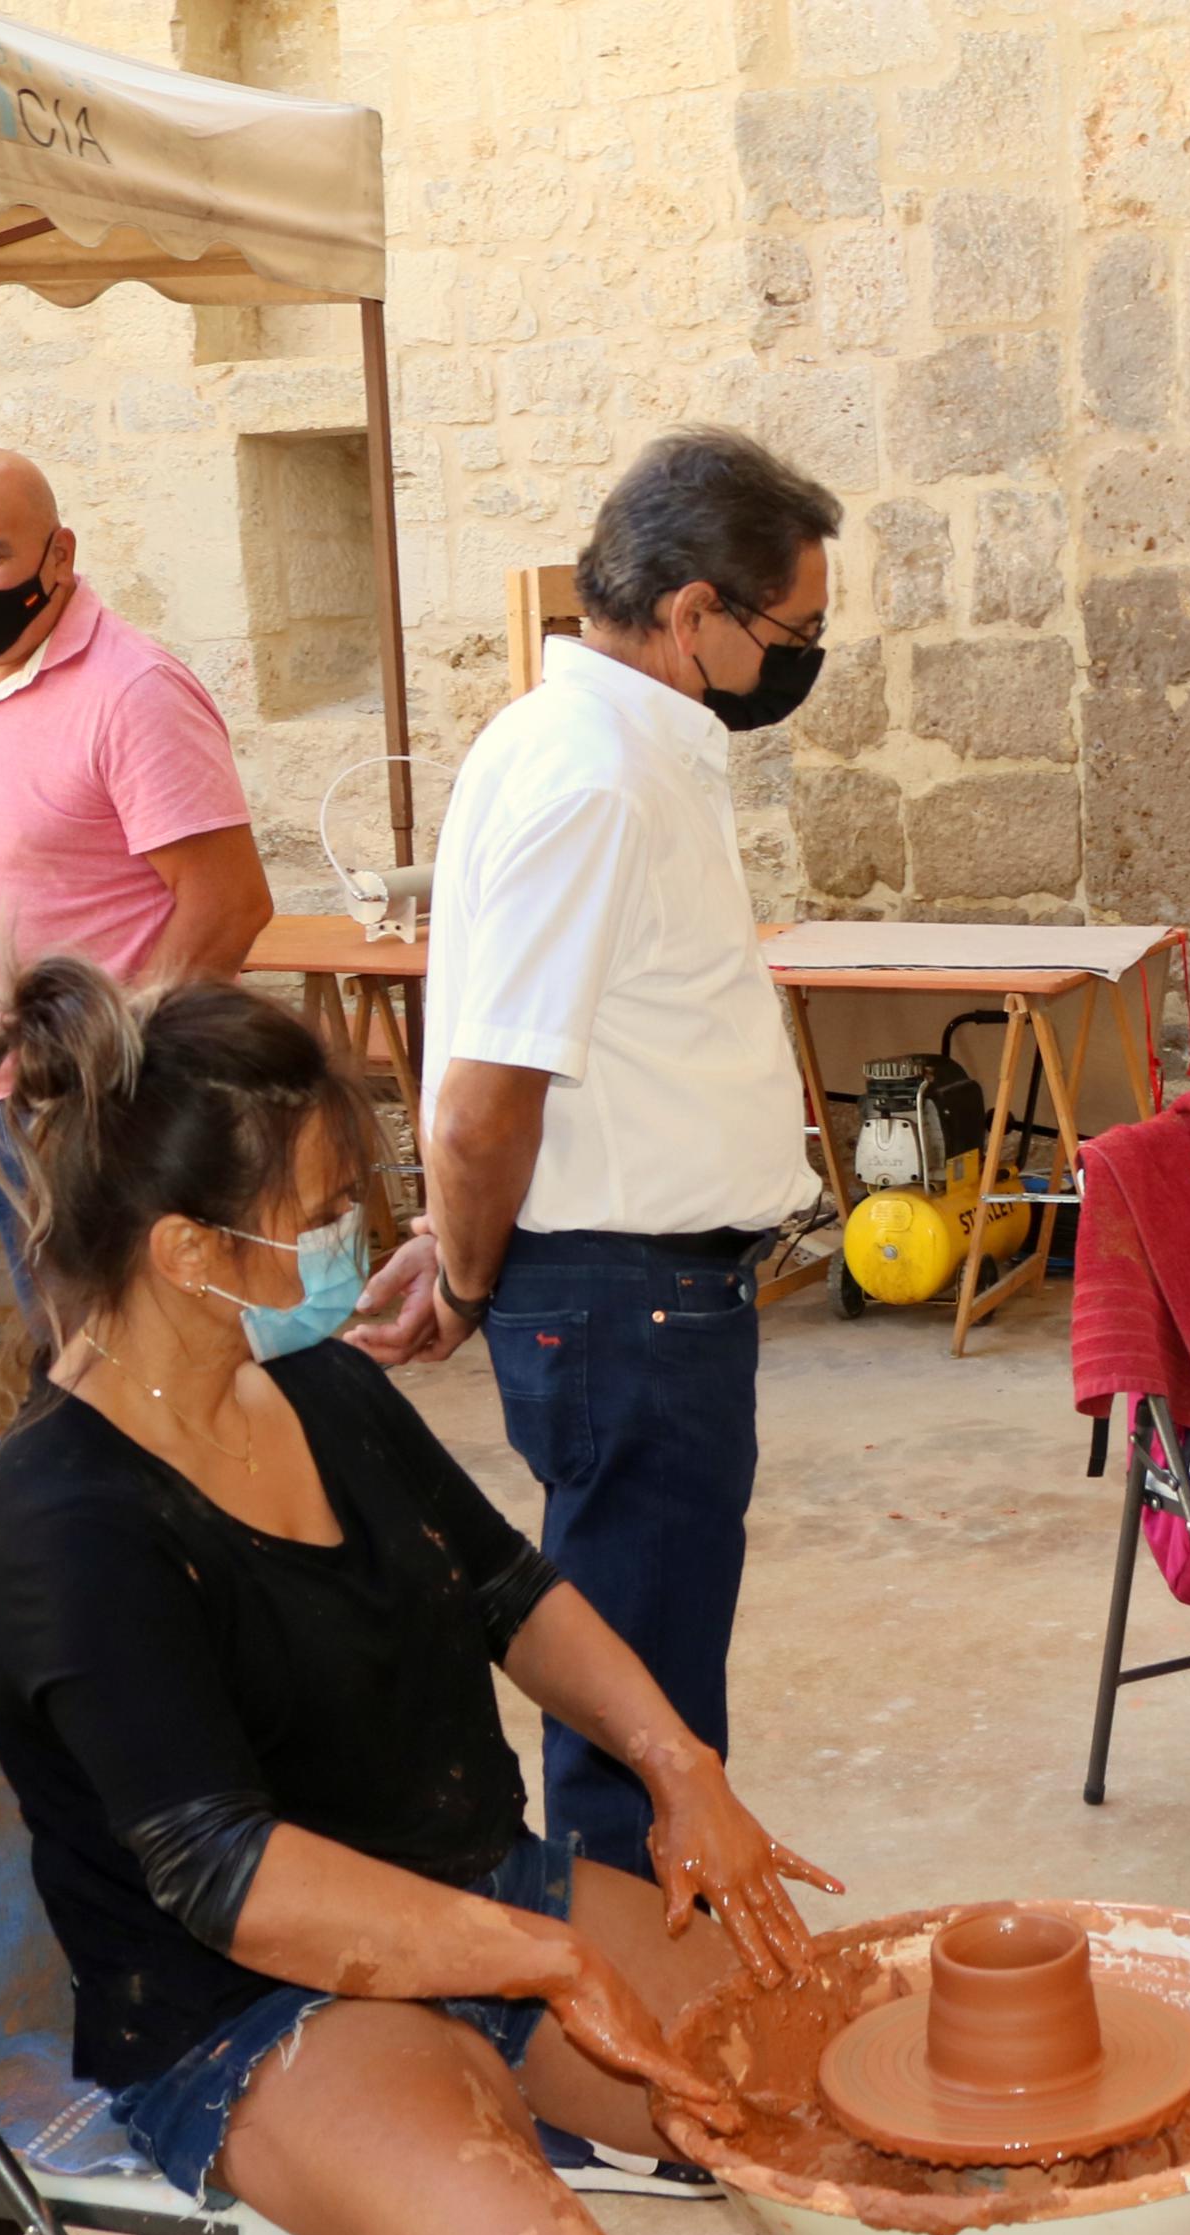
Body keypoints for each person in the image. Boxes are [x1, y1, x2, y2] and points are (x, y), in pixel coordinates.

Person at [0, 962, 836, 2235]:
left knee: (846, 2081)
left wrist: (680, 1767)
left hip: (461, 1892)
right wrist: (542, 1957)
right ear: (193, 1253)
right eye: (319, 1214)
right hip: (248, 2002)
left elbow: (510, 1592)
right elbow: (234, 1883)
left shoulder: (322, 1391)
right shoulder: (61, 1526)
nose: (361, 1238)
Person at [349, 427, 833, 1931]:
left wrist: (457, 1241)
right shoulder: (596, 778)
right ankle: (634, 2038)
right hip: (628, 1298)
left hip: (637, 1289)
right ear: (692, 616)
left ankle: (644, 1992)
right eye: (794, 633)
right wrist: (467, 1260)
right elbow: (489, 1091)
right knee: (639, 1699)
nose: (806, 659)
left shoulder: (582, 747)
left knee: (645, 1664)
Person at [0, 448, 274, 1321]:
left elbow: (230, 904)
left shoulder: (134, 690)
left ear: (58, 555)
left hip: (107, 1106)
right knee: (68, 1351)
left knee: (149, 1355)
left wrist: (106, 1073)